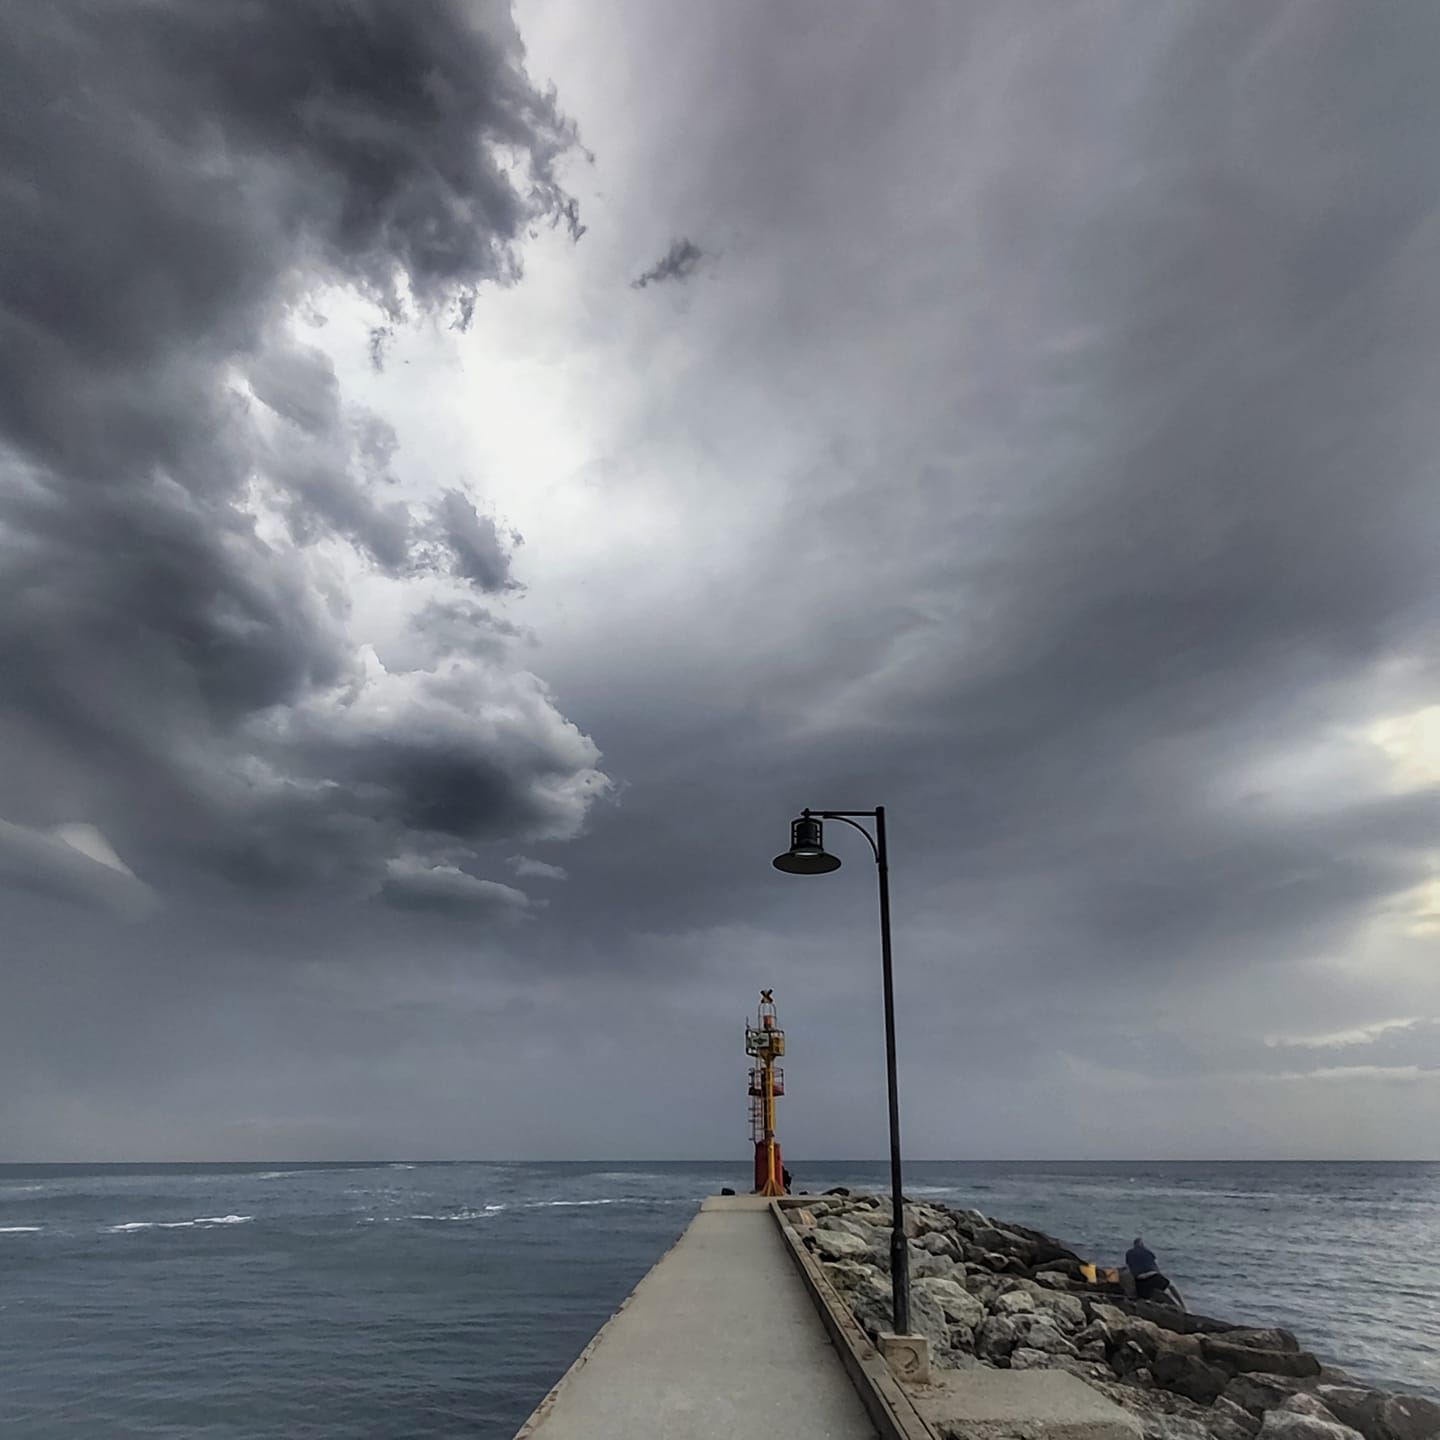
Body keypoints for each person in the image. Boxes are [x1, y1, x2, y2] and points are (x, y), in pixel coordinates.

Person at [1125, 1236, 1171, 1301]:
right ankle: (1184, 1306)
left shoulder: (1129, 1253)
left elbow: (1129, 1267)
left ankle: (1135, 1297)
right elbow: (1157, 1267)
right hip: (1154, 1277)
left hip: (1141, 1282)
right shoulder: (1148, 1252)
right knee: (1171, 1286)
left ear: (1134, 1245)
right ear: (1142, 1245)